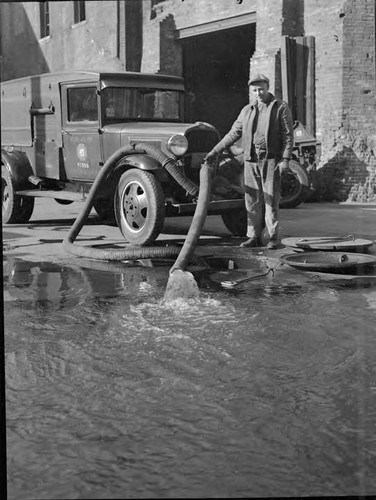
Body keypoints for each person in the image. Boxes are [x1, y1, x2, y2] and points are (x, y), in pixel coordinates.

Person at [205, 73, 294, 249]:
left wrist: (285, 160)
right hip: (250, 160)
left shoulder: (280, 107)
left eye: (261, 89)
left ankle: (273, 238)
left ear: (268, 87)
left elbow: (288, 136)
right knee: (251, 200)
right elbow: (233, 133)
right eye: (254, 90)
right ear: (251, 91)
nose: (258, 93)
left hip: (271, 160)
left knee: (271, 200)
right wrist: (214, 151)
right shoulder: (247, 110)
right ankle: (252, 236)